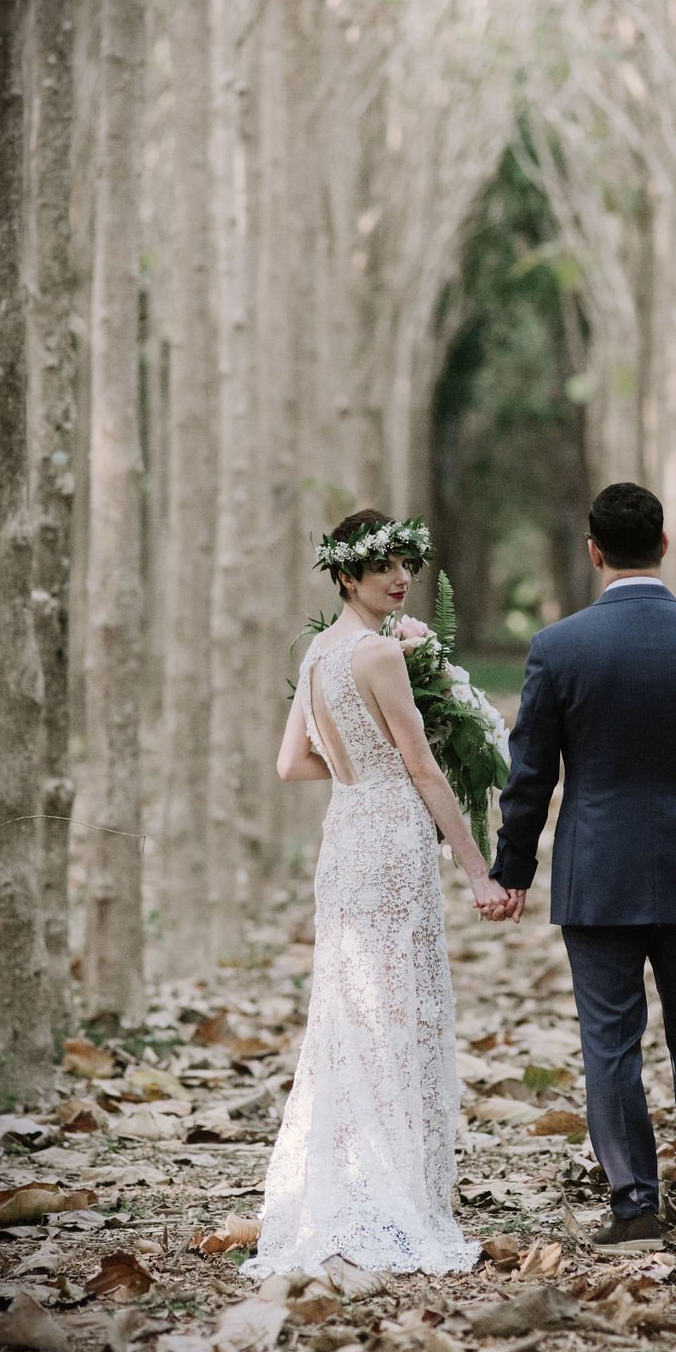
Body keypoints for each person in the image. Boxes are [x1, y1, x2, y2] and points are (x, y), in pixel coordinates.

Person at [246, 510, 513, 1279]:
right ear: (345, 575)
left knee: (349, 1005)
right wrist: (475, 869)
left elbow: (292, 763)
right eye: (383, 568)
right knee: (397, 1004)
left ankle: (345, 1186)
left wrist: (359, 770)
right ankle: (392, 1195)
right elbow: (425, 767)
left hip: (347, 832)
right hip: (392, 835)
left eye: (406, 565)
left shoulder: (319, 656)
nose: (400, 579)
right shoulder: (379, 655)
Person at [490, 482, 676, 1248]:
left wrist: (514, 870)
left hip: (597, 875)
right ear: (664, 546)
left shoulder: (560, 647)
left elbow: (530, 772)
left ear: (593, 551)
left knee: (609, 1044)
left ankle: (636, 1206)